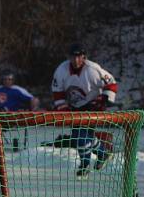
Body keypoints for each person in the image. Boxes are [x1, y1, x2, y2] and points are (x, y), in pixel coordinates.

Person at [51, 43, 118, 178]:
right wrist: (63, 108)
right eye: (73, 57)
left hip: (93, 106)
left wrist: (106, 98)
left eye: (79, 57)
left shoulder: (93, 69)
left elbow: (111, 82)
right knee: (78, 136)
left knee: (82, 135)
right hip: (74, 107)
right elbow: (57, 92)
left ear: (84, 57)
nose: (76, 60)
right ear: (68, 57)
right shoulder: (61, 70)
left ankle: (85, 165)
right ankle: (102, 153)